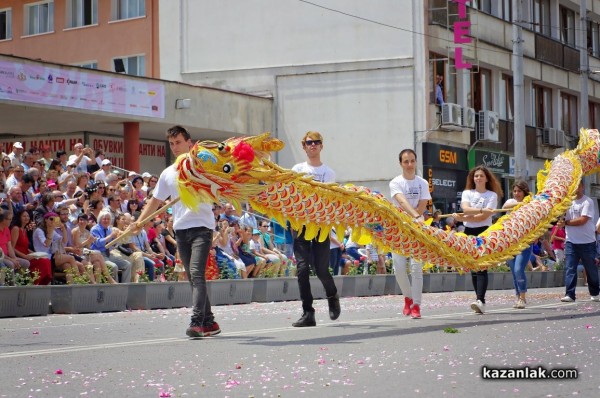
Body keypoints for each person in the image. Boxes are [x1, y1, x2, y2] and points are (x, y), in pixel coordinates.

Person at [131, 125, 220, 338]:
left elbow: (220, 186)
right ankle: (210, 322)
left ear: (189, 142)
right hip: (181, 229)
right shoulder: (167, 173)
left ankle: (197, 321)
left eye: (178, 142)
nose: (175, 147)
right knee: (192, 276)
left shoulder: (201, 167)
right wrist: (140, 221)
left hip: (202, 228)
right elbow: (155, 201)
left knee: (197, 273)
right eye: (171, 144)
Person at [290, 131, 340, 327]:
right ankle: (308, 313)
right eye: (309, 142)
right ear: (304, 146)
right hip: (301, 225)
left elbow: (330, 200)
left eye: (316, 142)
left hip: (321, 226)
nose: (313, 145)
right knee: (302, 270)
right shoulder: (297, 169)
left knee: (320, 270)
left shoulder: (329, 173)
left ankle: (332, 295)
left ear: (321, 146)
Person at [452, 165, 502, 314]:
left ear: (487, 178)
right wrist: (475, 212)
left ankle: (481, 300)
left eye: (481, 176)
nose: (478, 178)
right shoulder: (467, 193)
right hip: (468, 232)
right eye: (476, 176)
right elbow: (466, 208)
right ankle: (478, 298)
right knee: (473, 266)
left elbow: (484, 217)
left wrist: (464, 217)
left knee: (481, 266)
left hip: (484, 232)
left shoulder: (492, 195)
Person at [389, 148, 431, 319]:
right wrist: (413, 216)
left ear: (416, 162)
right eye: (406, 161)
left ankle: (417, 305)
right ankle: (407, 297)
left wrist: (416, 218)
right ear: (401, 163)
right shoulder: (395, 182)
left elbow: (422, 204)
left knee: (416, 267)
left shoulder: (422, 183)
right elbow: (401, 200)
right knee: (398, 268)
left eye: (412, 161)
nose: (409, 164)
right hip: (398, 228)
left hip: (417, 229)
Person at [561, 181, 600, 302]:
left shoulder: (587, 201)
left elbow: (583, 220)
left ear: (582, 186)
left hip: (587, 242)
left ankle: (595, 292)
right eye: (573, 186)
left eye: (578, 185)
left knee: (590, 269)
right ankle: (570, 294)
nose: (576, 188)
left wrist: (566, 223)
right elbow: (561, 218)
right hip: (571, 241)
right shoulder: (567, 203)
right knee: (570, 268)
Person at [502, 180, 531, 309]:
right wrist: (517, 204)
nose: (516, 193)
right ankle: (518, 297)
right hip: (510, 242)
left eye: (519, 191)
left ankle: (523, 298)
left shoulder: (530, 204)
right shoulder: (510, 202)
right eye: (514, 191)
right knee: (514, 272)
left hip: (524, 242)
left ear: (524, 192)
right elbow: (504, 208)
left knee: (519, 269)